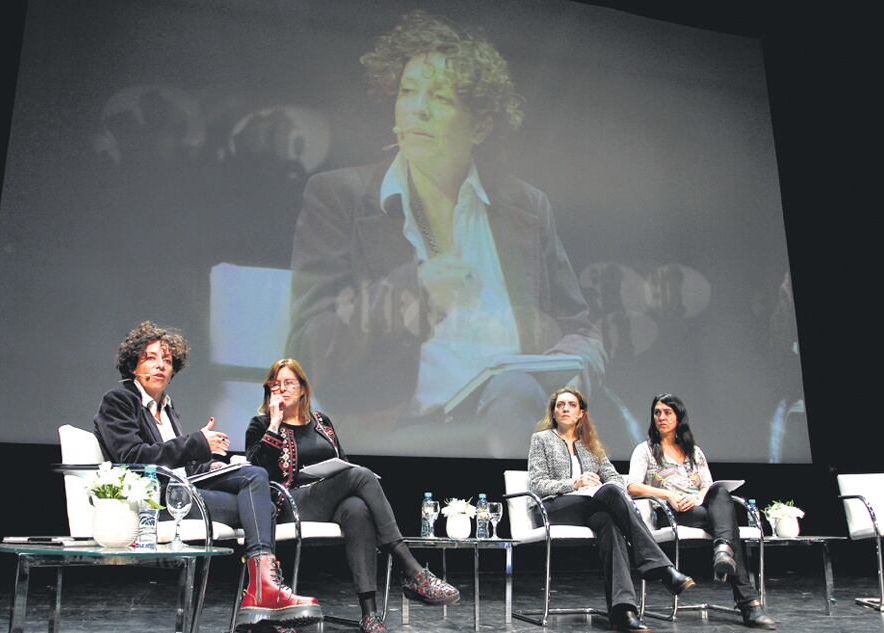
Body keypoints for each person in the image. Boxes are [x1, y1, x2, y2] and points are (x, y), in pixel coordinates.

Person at [286, 10, 606, 458]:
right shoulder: (341, 197)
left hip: (520, 413)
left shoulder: (526, 207)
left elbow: (581, 330)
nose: (416, 108)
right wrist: (413, 292)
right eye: (407, 91)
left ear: (480, 124)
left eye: (439, 97)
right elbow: (307, 349)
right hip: (399, 433)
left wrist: (563, 372)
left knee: (519, 392)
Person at [92, 321, 322, 630]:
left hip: (182, 489)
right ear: (133, 365)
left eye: (167, 360)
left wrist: (209, 466)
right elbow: (132, 457)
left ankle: (262, 592)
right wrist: (197, 443)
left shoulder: (167, 408)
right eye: (151, 358)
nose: (161, 366)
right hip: (155, 501)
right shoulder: (120, 400)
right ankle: (263, 592)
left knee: (254, 478)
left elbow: (178, 463)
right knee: (260, 501)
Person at [244, 358, 460, 633]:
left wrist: (337, 474)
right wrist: (275, 423)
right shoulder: (261, 424)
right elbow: (257, 471)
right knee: (362, 475)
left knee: (358, 509)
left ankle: (370, 615)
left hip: (326, 499)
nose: (283, 389)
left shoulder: (321, 422)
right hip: (288, 504)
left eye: (289, 383)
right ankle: (412, 570)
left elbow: (342, 462)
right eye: (277, 384)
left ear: (303, 389)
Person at [527, 387, 695, 632]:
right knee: (609, 495)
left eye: (571, 405)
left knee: (609, 521)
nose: (565, 409)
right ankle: (661, 567)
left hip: (591, 507)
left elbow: (616, 479)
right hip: (554, 507)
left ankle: (623, 612)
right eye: (560, 405)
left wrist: (601, 486)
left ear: (581, 413)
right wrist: (575, 483)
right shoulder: (541, 439)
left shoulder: (590, 444)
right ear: (553, 413)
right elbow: (538, 483)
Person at [626, 394, 776, 629]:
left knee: (720, 492)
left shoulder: (694, 452)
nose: (661, 417)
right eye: (657, 412)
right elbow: (632, 486)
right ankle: (748, 601)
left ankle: (724, 551)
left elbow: (707, 485)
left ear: (679, 417)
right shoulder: (645, 450)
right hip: (672, 512)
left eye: (667, 412)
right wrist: (669, 496)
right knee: (728, 527)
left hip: (701, 508)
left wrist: (697, 497)